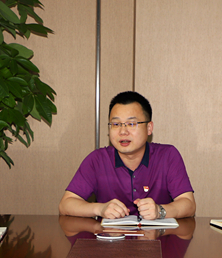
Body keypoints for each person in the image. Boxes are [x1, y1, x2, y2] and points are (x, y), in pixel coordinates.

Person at [58, 91, 196, 220]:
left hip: (157, 237)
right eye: (116, 124)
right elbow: (65, 204)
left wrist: (160, 211)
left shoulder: (168, 156)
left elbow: (188, 204)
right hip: (111, 237)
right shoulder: (97, 160)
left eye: (131, 124)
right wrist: (100, 209)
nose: (123, 131)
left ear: (149, 128)